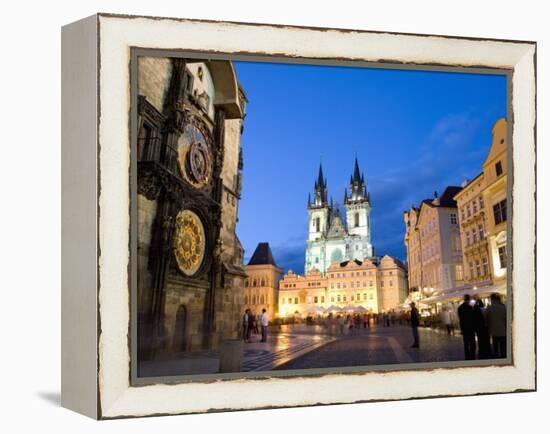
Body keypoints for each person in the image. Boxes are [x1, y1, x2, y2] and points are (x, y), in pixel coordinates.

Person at [486, 293, 507, 358]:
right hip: (503, 331)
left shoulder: (489, 308)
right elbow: (506, 319)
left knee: (496, 349)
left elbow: (487, 320)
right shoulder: (503, 307)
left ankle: (497, 360)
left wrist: (489, 330)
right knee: (503, 348)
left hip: (494, 332)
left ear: (492, 299)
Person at [458, 294, 476, 360]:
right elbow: (474, 318)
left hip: (464, 327)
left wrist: (461, 329)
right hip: (471, 327)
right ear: (469, 299)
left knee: (466, 342)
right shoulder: (471, 307)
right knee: (472, 342)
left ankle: (467, 355)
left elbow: (461, 319)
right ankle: (472, 355)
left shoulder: (460, 308)